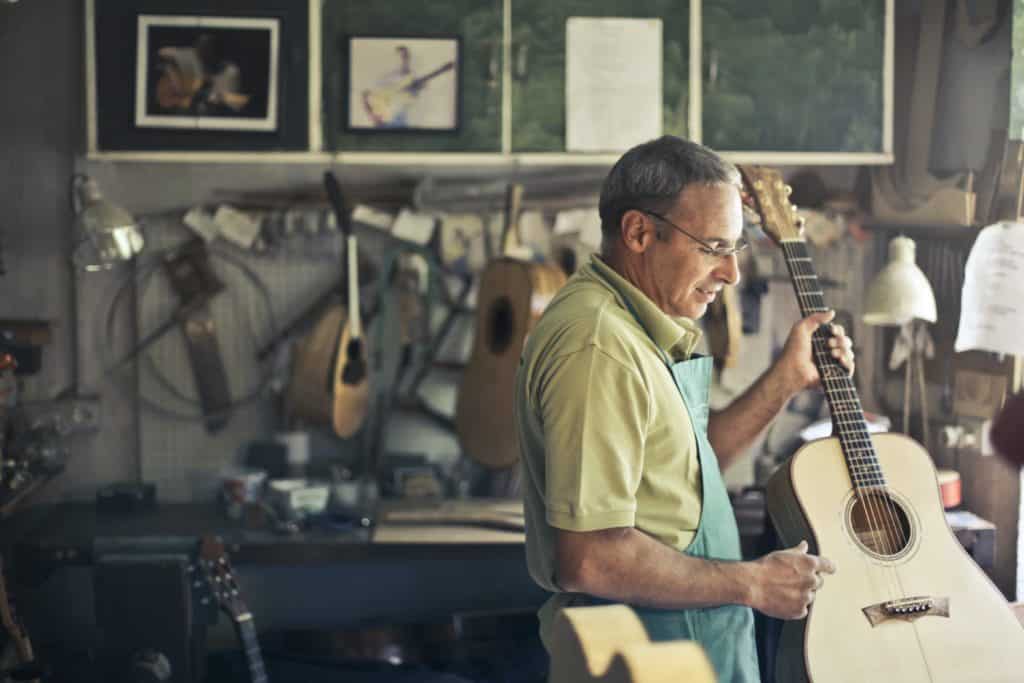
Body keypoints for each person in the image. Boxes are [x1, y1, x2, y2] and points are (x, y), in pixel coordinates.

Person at [513, 136, 854, 682]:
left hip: (690, 649)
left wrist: (787, 379)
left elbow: (685, 469)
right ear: (639, 233)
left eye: (735, 250)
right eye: (713, 247)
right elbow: (591, 557)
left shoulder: (640, 325)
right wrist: (752, 583)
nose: (730, 274)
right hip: (641, 656)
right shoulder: (601, 347)